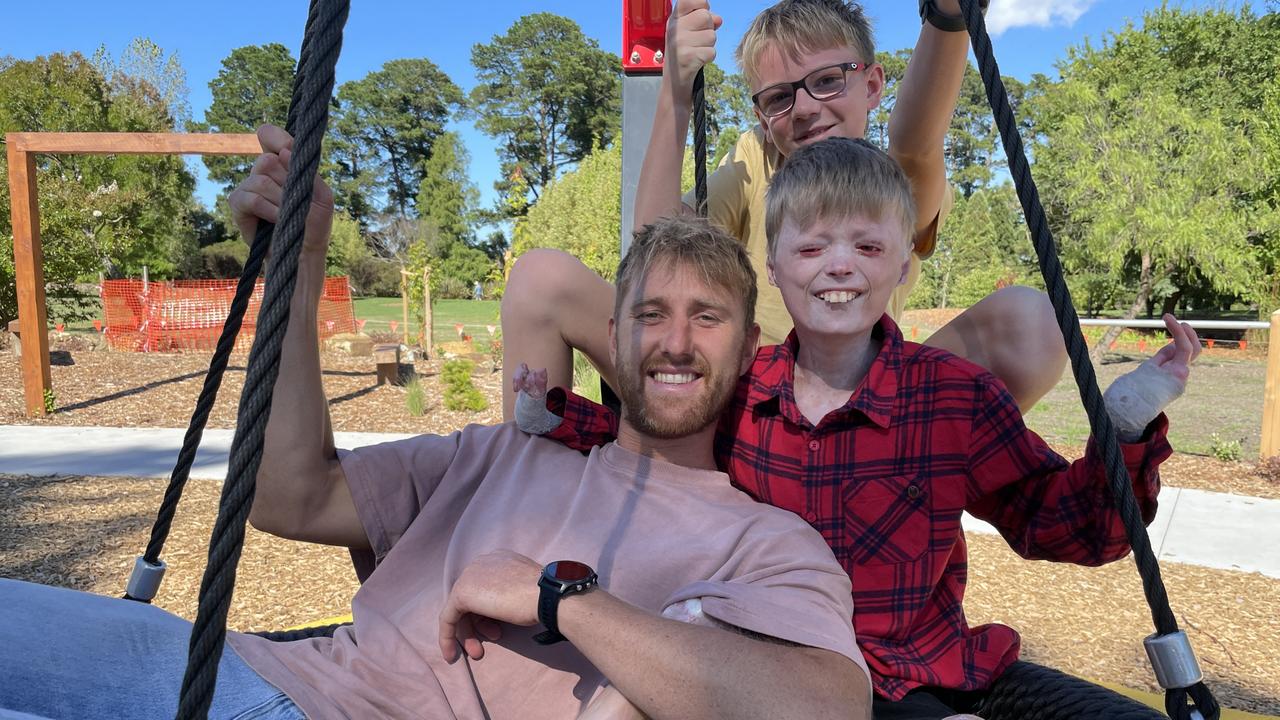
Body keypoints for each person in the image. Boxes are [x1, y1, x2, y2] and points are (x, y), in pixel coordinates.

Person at [0, 125, 873, 720]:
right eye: (650, 315)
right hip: (247, 673)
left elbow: (830, 702)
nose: (674, 342)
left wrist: (560, 597)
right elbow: (291, 500)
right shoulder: (501, 454)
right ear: (613, 332)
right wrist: (300, 268)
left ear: (750, 344)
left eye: (707, 318)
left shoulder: (764, 537)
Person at [513, 137, 1201, 719]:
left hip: (918, 669)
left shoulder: (953, 398)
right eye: (812, 248)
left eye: (868, 246)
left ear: (903, 263)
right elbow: (647, 441)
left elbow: (1064, 526)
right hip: (778, 671)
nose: (840, 265)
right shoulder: (741, 390)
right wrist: (554, 414)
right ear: (774, 268)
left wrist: (1123, 429)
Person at [499, 0, 1066, 421]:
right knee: (540, 279)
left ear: (871, 85)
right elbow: (658, 254)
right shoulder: (756, 159)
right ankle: (528, 499)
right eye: (779, 98)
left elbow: (916, 142)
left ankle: (912, 467)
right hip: (742, 402)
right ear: (763, 112)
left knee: (1032, 321)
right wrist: (676, 91)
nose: (805, 109)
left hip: (863, 400)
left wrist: (946, 18)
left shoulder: (887, 179)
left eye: (827, 82)